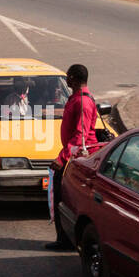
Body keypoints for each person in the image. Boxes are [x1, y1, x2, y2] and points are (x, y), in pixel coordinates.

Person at [46, 64, 100, 250]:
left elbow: (80, 136)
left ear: (74, 78)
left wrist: (62, 159)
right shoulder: (77, 98)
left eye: (68, 76)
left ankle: (65, 239)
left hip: (77, 157)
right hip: (73, 154)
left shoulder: (83, 102)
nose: (66, 79)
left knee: (62, 195)